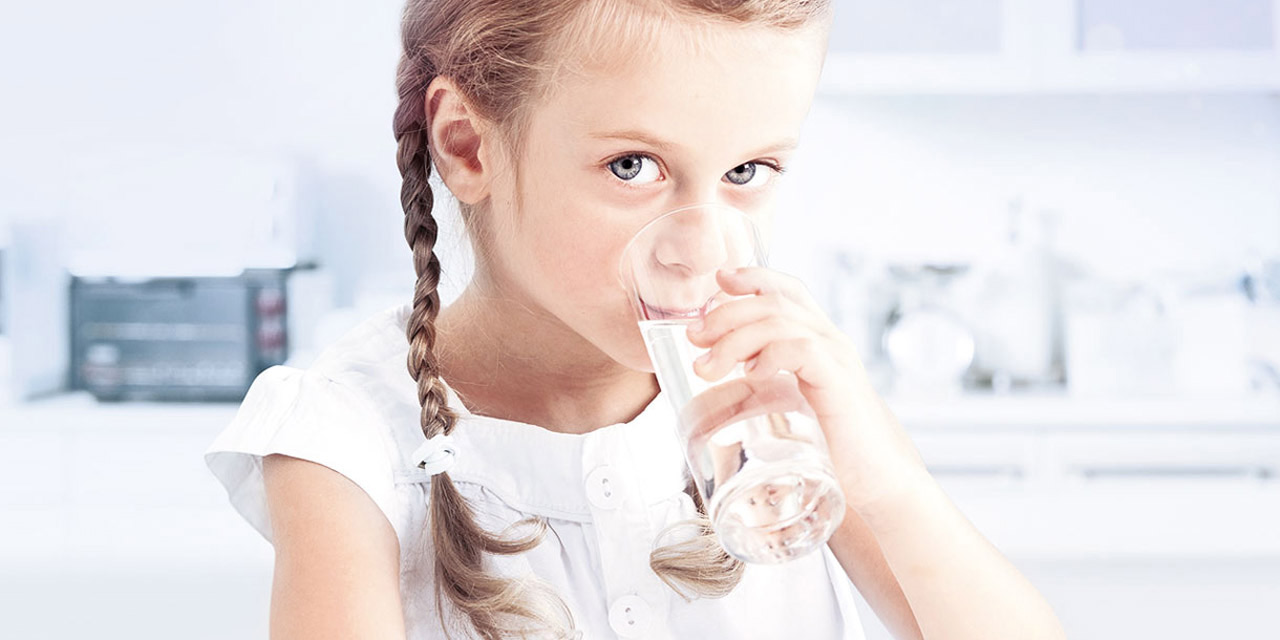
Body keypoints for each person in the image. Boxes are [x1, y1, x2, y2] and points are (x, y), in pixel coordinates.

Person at [204, 1, 1068, 638]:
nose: (697, 248)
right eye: (632, 167)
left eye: (746, 172)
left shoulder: (779, 404)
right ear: (467, 145)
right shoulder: (348, 441)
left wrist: (885, 479)